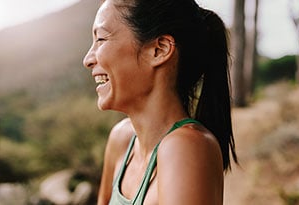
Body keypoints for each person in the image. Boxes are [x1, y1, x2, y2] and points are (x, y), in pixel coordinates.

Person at [83, 0, 238, 204]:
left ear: (159, 50)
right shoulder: (121, 139)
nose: (88, 59)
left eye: (101, 39)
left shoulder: (186, 147)